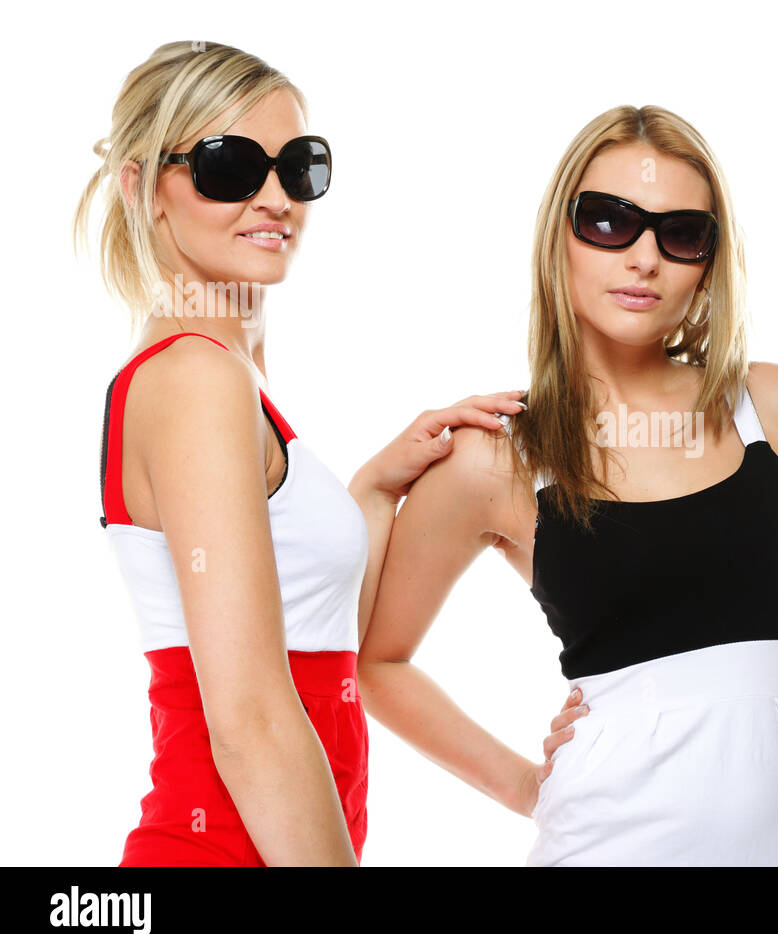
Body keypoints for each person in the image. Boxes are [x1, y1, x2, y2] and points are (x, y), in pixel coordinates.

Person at [358, 105, 778, 865]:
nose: (643, 258)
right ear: (558, 238)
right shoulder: (499, 455)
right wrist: (524, 785)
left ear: (708, 260)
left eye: (680, 234)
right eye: (608, 222)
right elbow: (377, 663)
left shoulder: (770, 407)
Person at [77, 41, 524, 865]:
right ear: (145, 189)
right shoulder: (195, 380)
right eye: (229, 167)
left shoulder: (225, 381)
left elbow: (314, 650)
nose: (276, 198)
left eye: (299, 167)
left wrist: (373, 489)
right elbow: (248, 718)